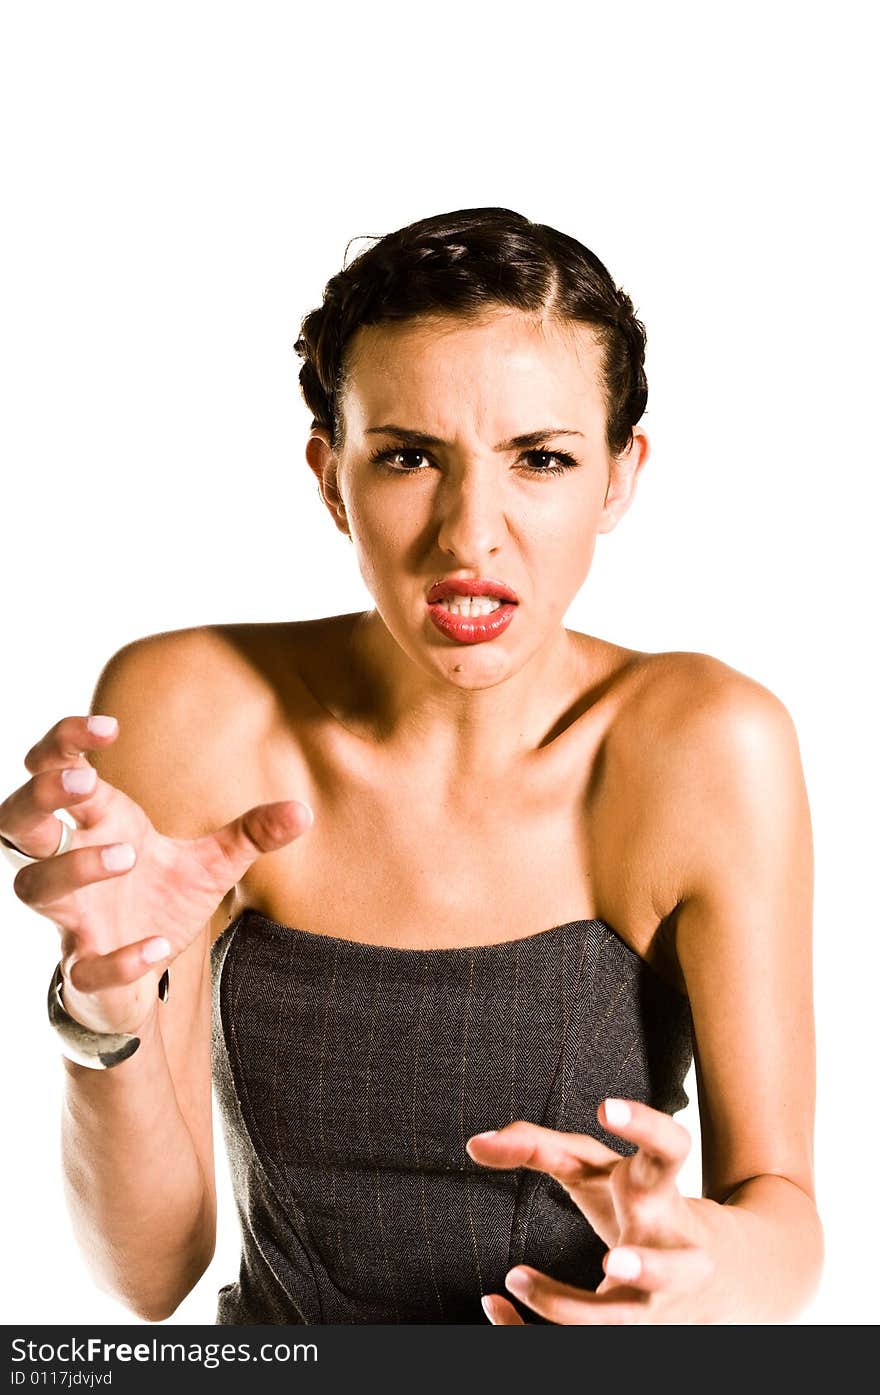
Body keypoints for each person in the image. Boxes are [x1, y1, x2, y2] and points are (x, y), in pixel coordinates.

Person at [0, 206, 822, 1325]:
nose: (469, 535)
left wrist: (702, 1274)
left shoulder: (700, 741)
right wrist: (104, 1006)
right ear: (331, 477)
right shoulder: (193, 711)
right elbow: (148, 1279)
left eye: (540, 459)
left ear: (618, 477)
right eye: (407, 458)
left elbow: (781, 1220)